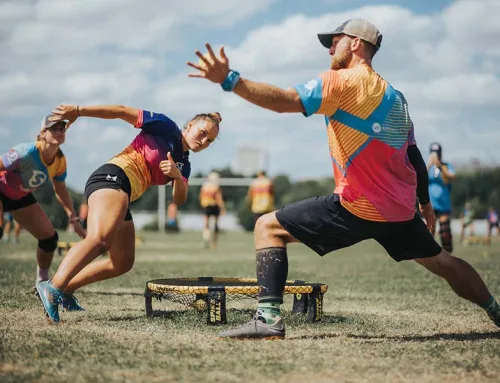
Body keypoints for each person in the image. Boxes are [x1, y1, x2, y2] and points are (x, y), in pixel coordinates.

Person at [186, 18, 500, 339]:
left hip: (356, 206)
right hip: (398, 212)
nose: (330, 49)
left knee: (267, 227)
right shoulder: (397, 99)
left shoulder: (341, 82)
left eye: (335, 41)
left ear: (356, 43)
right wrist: (425, 203)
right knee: (444, 263)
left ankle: (267, 319)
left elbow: (282, 101)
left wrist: (229, 79)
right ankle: (495, 310)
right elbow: (414, 157)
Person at [36, 104, 221, 322]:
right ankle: (53, 287)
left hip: (123, 193)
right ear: (190, 125)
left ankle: (67, 289)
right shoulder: (165, 126)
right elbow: (121, 111)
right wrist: (78, 110)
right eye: (202, 133)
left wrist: (177, 177)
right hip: (112, 177)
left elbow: (179, 199)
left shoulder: (184, 163)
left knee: (122, 262)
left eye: (209, 141)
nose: (204, 141)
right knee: (99, 240)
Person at [0, 116, 85, 286]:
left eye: (62, 129)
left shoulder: (60, 161)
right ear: (42, 133)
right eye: (54, 129)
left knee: (49, 238)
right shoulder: (26, 152)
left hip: (20, 197)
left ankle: (42, 283)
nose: (59, 132)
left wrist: (73, 217)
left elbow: (60, 190)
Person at [428, 142, 456, 253]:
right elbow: (419, 178)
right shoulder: (428, 167)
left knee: (445, 231)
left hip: (444, 203)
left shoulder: (447, 165)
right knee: (430, 230)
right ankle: (429, 253)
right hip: (431, 203)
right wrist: (429, 164)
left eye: (437, 153)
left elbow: (452, 176)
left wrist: (440, 166)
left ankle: (447, 254)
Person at [199, 171, 225, 249]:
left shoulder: (204, 187)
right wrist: (223, 208)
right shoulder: (216, 187)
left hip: (206, 206)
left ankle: (206, 237)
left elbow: (200, 197)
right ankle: (214, 242)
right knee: (216, 225)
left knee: (206, 224)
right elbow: (219, 199)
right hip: (214, 206)